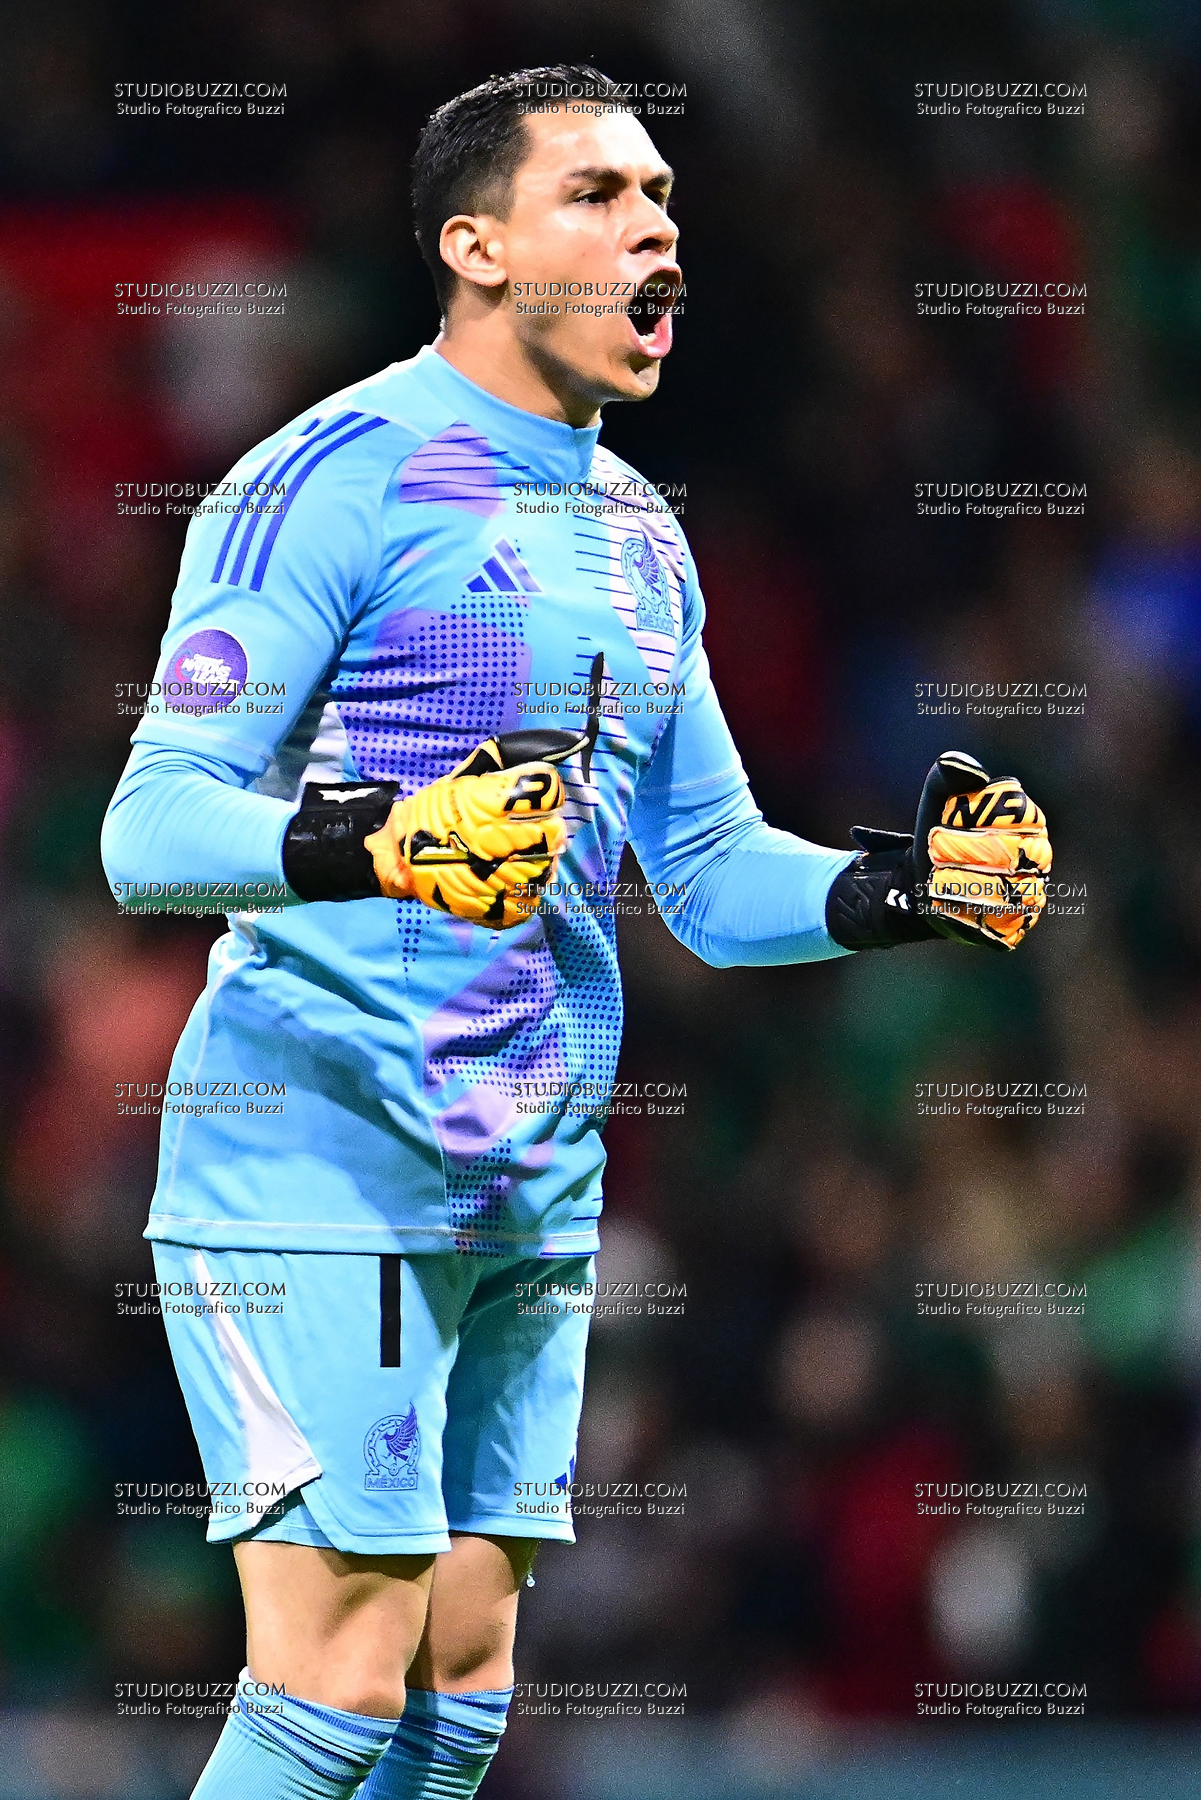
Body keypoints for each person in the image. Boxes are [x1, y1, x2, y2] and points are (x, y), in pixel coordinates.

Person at [101, 63, 1050, 1800]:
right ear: (475, 246)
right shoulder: (326, 479)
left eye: (664, 198)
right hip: (323, 1154)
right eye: (600, 195)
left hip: (529, 1177)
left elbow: (710, 875)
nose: (657, 230)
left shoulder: (641, 541)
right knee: (336, 1685)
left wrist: (903, 889)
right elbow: (148, 828)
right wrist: (381, 841)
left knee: (455, 1693)